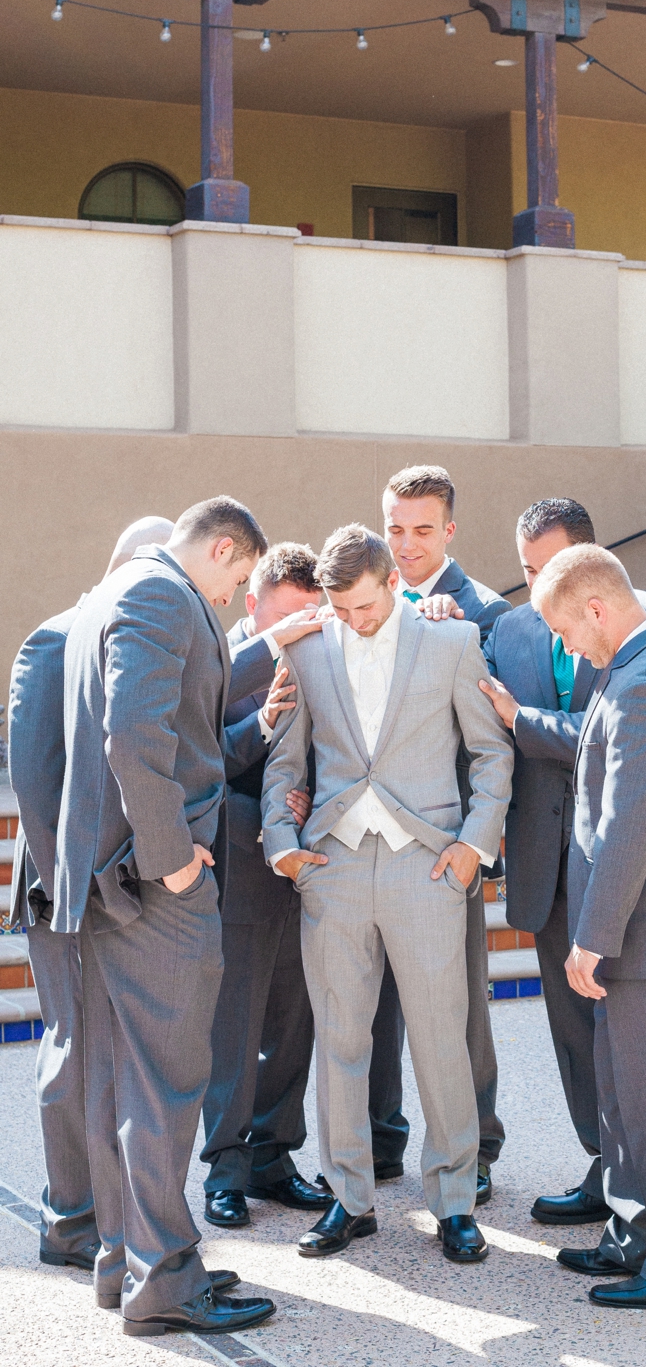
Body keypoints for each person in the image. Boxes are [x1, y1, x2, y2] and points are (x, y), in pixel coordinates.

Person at [56, 497, 279, 1337]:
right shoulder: (158, 595)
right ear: (223, 548)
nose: (230, 596)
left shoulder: (108, 597)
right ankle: (165, 1287)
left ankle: (132, 1260)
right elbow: (133, 737)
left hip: (112, 885)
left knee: (127, 1083)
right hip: (154, 889)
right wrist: (174, 859)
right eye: (239, 577)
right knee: (166, 1086)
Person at [260, 525, 513, 1264]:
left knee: (441, 1039)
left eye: (366, 607)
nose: (354, 620)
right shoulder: (306, 650)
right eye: (341, 609)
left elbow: (490, 754)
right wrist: (284, 848)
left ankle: (455, 1202)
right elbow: (285, 760)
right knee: (340, 1039)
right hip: (332, 870)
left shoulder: (452, 642)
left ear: (393, 585)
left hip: (427, 869)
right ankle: (348, 1199)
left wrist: (473, 847)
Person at [498, 544, 646, 1309]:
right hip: (644, 930)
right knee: (626, 1099)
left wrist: (591, 936)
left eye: (565, 631)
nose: (566, 647)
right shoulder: (642, 664)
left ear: (596, 608)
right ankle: (634, 1234)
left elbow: (629, 824)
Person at [8, 517, 172, 1278]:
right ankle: (77, 1220)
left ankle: (91, 1219)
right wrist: (73, 889)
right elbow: (36, 778)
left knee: (89, 1055)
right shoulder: (56, 636)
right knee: (77, 1055)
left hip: (94, 888)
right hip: (66, 893)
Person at [368, 465, 511, 1205]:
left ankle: (475, 1146)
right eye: (394, 527)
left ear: (449, 529)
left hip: (444, 848)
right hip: (363, 848)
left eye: (422, 529)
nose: (405, 544)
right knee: (372, 1006)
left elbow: (490, 745)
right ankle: (380, 1140)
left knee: (456, 1007)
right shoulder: (366, 599)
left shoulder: (483, 613)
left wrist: (474, 845)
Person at [201, 543, 330, 1228]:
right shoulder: (217, 659)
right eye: (287, 621)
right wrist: (263, 725)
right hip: (237, 866)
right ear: (253, 606)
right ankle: (223, 1167)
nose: (301, 633)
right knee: (234, 1026)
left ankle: (274, 1158)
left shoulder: (325, 649)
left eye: (311, 618)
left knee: (291, 1021)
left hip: (306, 867)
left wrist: (311, 793)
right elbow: (199, 761)